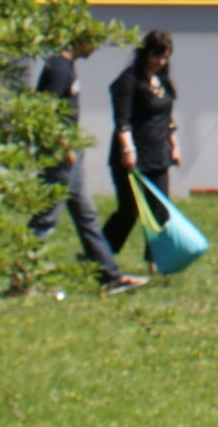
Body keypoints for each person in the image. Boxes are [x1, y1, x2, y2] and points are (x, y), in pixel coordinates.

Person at [26, 35, 148, 295]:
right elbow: (44, 111)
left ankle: (109, 276)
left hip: (72, 153)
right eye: (94, 42)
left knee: (86, 216)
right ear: (81, 39)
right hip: (61, 155)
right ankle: (20, 277)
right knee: (45, 219)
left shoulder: (66, 67)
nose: (96, 49)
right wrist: (62, 145)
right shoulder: (58, 68)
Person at [103, 30, 182, 265]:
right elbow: (122, 120)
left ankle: (155, 260)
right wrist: (128, 150)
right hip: (132, 157)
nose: (161, 62)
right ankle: (100, 254)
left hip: (158, 155)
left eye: (165, 57)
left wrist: (174, 146)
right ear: (145, 53)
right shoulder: (128, 81)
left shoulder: (163, 82)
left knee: (160, 210)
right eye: (157, 56)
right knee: (129, 211)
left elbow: (168, 118)